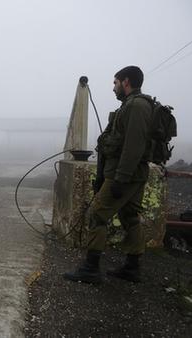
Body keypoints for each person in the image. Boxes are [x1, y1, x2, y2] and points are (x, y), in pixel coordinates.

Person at [64, 66, 153, 284]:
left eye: (115, 83)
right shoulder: (130, 106)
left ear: (126, 82)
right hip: (128, 174)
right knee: (129, 217)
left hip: (125, 175)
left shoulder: (137, 106)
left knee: (98, 214)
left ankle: (91, 269)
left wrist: (120, 179)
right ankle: (132, 268)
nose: (113, 88)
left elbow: (134, 146)